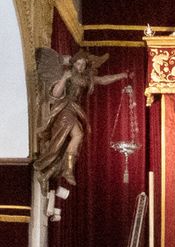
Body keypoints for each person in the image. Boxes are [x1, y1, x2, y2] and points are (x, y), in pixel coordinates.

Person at [34, 48, 129, 186]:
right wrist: (63, 79)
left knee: (64, 146)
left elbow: (103, 80)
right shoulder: (66, 74)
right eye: (78, 64)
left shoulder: (85, 78)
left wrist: (121, 76)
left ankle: (47, 174)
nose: (80, 67)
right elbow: (55, 95)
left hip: (74, 109)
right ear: (73, 64)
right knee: (78, 135)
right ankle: (68, 170)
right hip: (64, 108)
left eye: (83, 65)